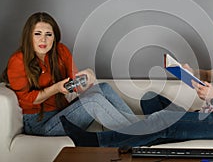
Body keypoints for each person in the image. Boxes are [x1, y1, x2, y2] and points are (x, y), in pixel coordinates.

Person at [60, 11, 213, 147]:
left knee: (163, 120)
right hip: (208, 113)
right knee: (150, 99)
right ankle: (150, 131)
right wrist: (191, 72)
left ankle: (96, 141)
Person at [0, 12, 139, 136]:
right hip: (39, 123)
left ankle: (142, 129)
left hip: (62, 112)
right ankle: (137, 136)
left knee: (103, 88)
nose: (43, 40)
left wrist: (88, 77)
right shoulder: (18, 60)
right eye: (37, 34)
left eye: (48, 34)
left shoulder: (61, 51)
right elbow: (28, 99)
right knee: (94, 102)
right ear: (28, 36)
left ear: (54, 37)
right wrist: (56, 88)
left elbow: (77, 87)